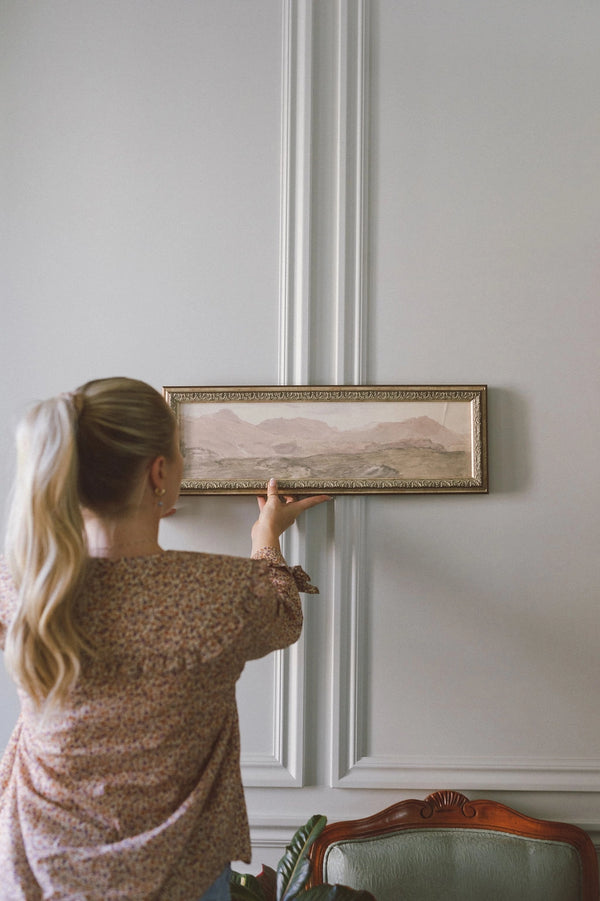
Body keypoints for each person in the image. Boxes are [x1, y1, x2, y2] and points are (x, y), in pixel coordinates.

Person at [0, 377, 330, 900]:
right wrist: (265, 536)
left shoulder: (21, 585)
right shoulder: (224, 592)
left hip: (40, 867)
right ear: (158, 472)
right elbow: (284, 614)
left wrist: (138, 512)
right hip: (183, 873)